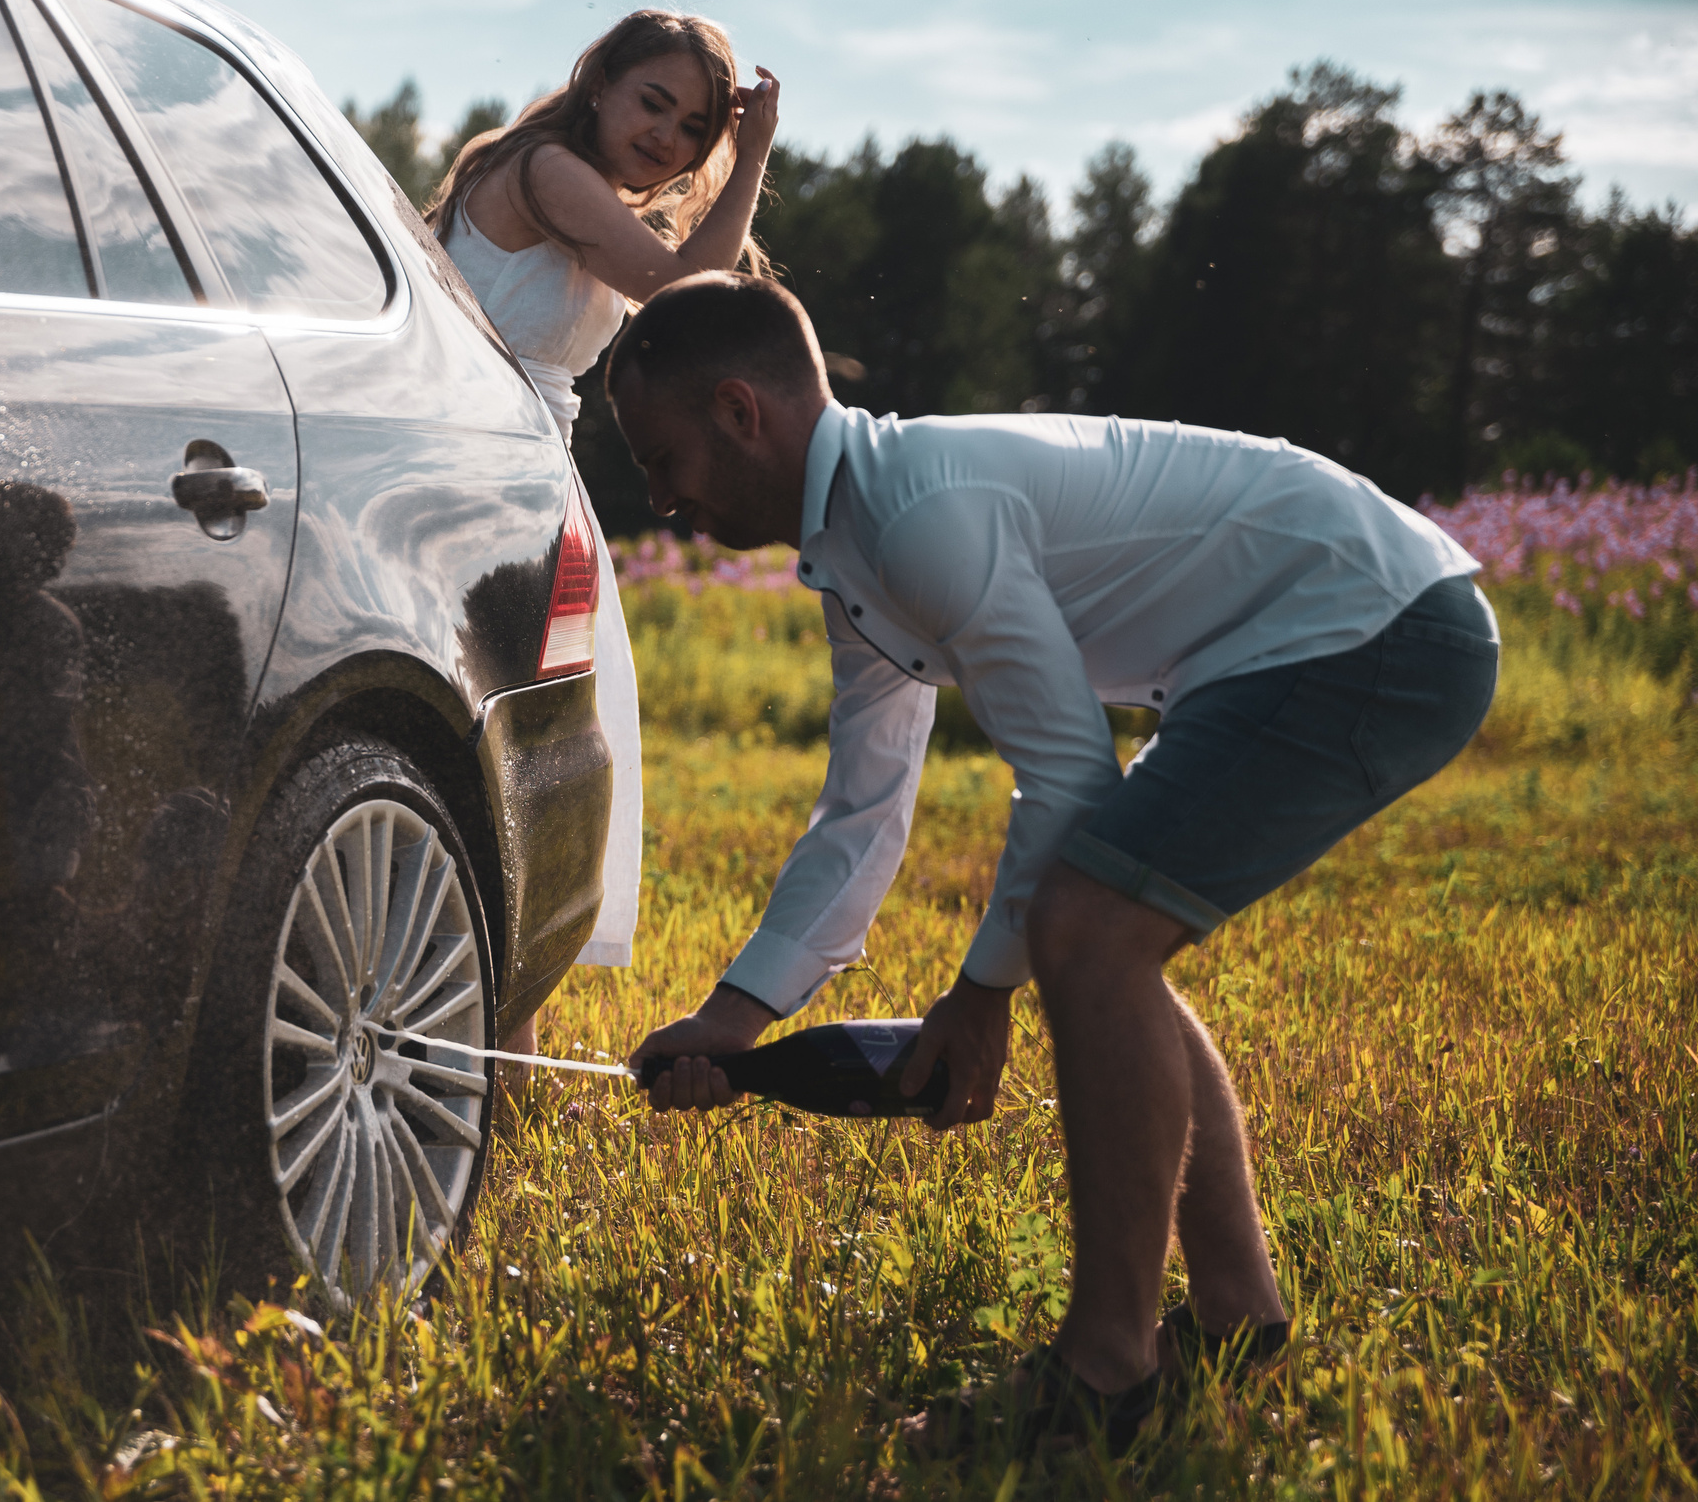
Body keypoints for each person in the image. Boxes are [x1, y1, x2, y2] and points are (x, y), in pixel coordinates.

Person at [616, 272, 1497, 1458]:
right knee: (1103, 936)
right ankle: (1237, 1317)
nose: (660, 498)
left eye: (661, 457)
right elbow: (862, 813)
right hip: (1291, 641)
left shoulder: (920, 514)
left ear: (738, 412)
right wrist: (734, 1017)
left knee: (1090, 930)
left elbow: (1070, 783)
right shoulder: (854, 548)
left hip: (1374, 625)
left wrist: (981, 997)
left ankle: (1104, 1371)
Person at [426, 10, 779, 1042]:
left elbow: (684, 299)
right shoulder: (545, 172)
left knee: (532, 760)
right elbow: (685, 296)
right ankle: (496, 1043)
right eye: (652, 102)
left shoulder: (579, 192)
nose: (666, 137)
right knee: (517, 754)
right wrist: (754, 154)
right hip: (484, 475)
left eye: (695, 128)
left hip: (526, 468)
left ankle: (507, 1047)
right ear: (600, 83)